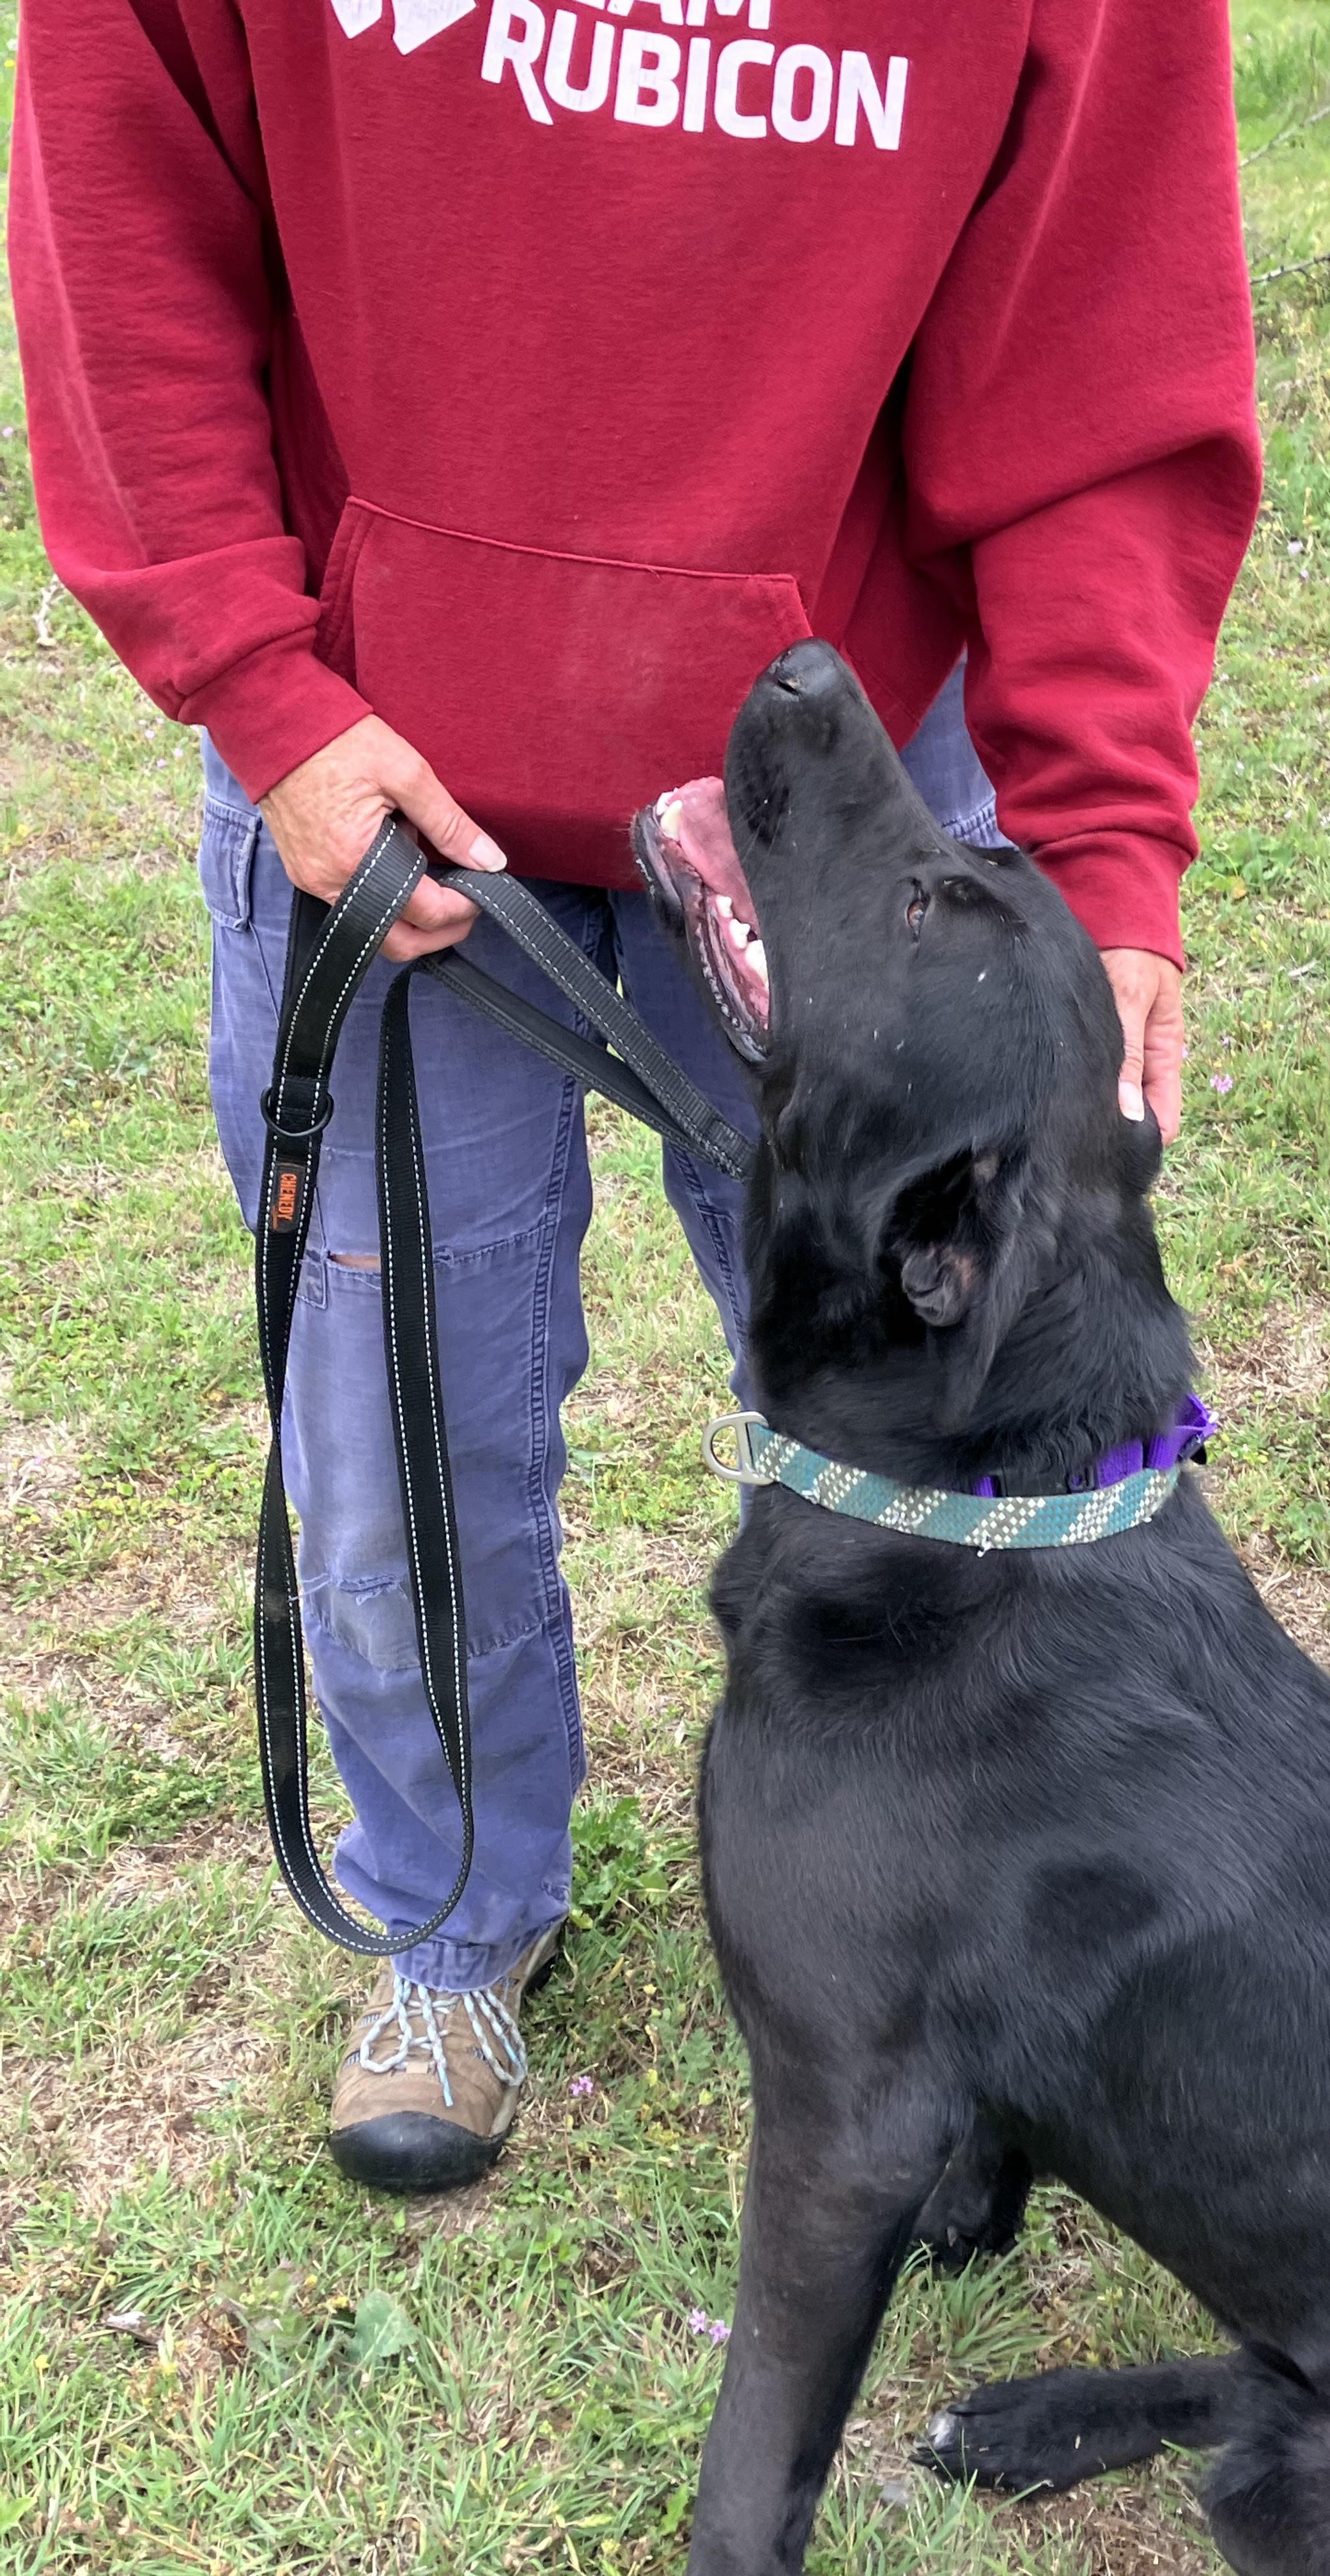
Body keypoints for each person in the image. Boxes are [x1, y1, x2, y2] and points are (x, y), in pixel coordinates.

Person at [10, 0, 1261, 2195]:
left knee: (961, 1424)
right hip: (378, 801)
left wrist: (1102, 850)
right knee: (400, 1409)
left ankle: (986, 1946)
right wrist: (259, 687)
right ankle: (454, 1920)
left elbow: (1096, 360)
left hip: (839, 816)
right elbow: (129, 210)